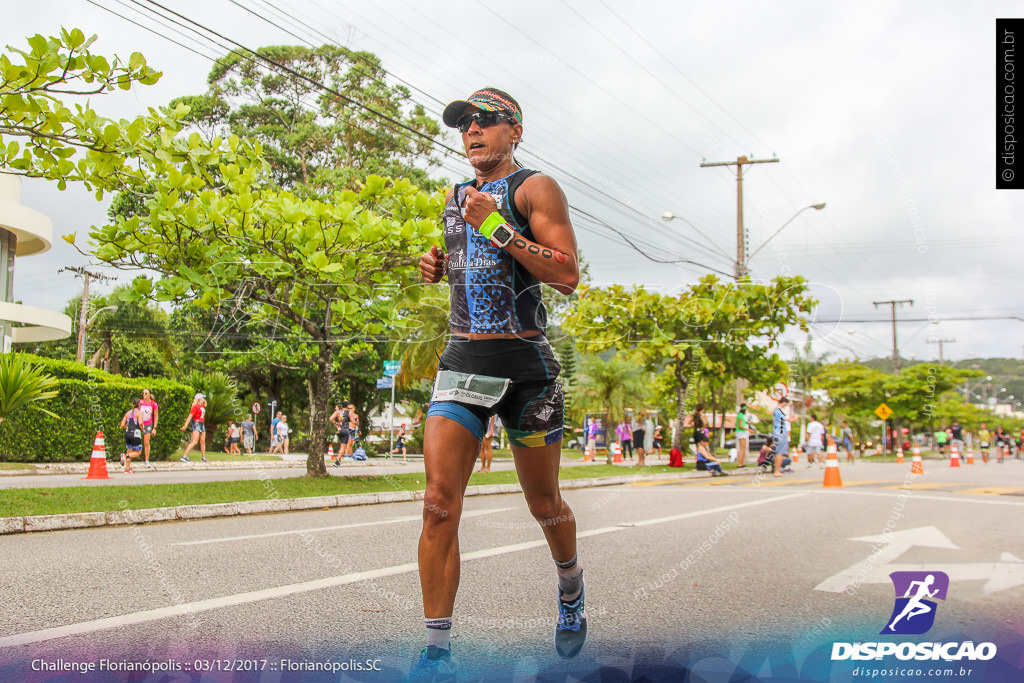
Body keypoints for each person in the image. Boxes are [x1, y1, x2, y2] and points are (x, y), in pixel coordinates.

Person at [412, 86, 584, 677]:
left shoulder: (534, 188)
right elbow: (469, 266)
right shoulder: (455, 196)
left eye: (485, 122)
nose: (472, 132)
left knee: (544, 504)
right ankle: (437, 650)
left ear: (514, 130)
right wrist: (436, 267)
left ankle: (570, 587)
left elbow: (566, 275)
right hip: (464, 362)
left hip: (526, 370)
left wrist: (498, 229)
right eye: (465, 125)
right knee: (438, 504)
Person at [180, 395, 207, 463]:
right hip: (196, 423)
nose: (204, 399)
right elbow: (190, 416)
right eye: (202, 397)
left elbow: (205, 404)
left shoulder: (201, 406)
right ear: (199, 399)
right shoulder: (195, 407)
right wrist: (185, 425)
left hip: (202, 423)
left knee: (202, 441)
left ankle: (203, 457)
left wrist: (203, 400)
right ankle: (184, 456)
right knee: (195, 441)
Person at [771, 397, 793, 478]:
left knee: (777, 452)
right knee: (780, 453)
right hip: (781, 433)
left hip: (776, 432)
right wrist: (796, 417)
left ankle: (776, 469)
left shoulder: (775, 410)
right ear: (784, 403)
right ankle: (777, 470)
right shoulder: (780, 410)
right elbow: (789, 419)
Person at [120, 399, 143, 473]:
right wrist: (143, 429)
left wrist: (127, 426)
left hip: (128, 433)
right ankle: (125, 456)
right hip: (135, 434)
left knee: (130, 451)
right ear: (139, 405)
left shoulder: (128, 413)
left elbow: (122, 425)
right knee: (138, 452)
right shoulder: (139, 413)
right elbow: (140, 423)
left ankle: (127, 469)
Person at [138, 389, 158, 468]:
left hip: (148, 424)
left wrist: (154, 428)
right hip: (140, 423)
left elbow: (156, 416)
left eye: (146, 393)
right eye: (143, 393)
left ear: (149, 394)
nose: (144, 395)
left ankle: (147, 460)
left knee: (146, 442)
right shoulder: (140, 402)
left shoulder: (153, 404)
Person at [734, 403, 749, 468]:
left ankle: (742, 463)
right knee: (742, 448)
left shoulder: (741, 415)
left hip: (742, 432)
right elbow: (740, 425)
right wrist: (748, 429)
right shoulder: (740, 415)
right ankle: (740, 463)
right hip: (741, 432)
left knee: (743, 448)